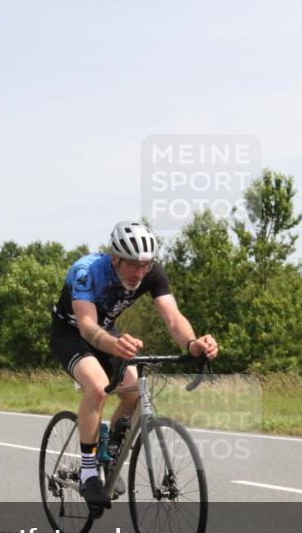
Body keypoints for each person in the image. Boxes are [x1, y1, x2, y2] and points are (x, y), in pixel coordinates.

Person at [50, 221, 218, 516]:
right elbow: (87, 326)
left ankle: (108, 456)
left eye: (144, 265)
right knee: (97, 388)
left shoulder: (152, 272)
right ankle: (88, 473)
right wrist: (114, 345)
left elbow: (173, 319)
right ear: (115, 258)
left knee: (134, 394)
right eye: (132, 265)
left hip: (108, 334)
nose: (139, 273)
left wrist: (192, 344)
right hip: (71, 335)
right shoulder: (86, 271)